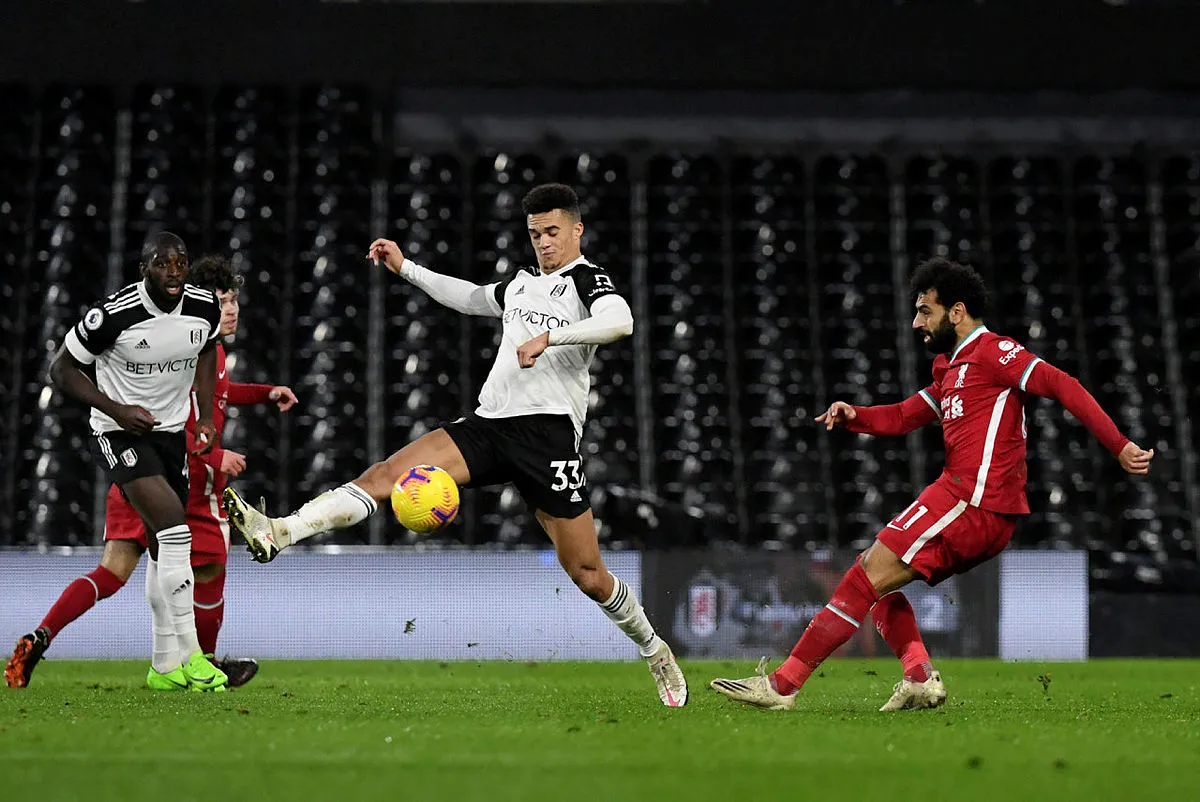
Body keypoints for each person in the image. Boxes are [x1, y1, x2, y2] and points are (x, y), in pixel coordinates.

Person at [223, 183, 689, 706]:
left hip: (549, 436)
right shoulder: (519, 287)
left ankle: (655, 651)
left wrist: (551, 338)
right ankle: (280, 530)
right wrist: (407, 269)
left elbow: (620, 322)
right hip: (490, 424)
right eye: (535, 234)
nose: (544, 243)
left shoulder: (586, 278)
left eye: (553, 232)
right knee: (385, 475)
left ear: (577, 230)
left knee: (587, 574)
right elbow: (468, 297)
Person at [711, 257, 1154, 711]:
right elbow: (905, 416)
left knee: (861, 578)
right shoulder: (950, 368)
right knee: (875, 582)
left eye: (926, 310)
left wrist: (1118, 445)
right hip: (969, 504)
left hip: (973, 500)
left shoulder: (995, 352)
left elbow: (1062, 383)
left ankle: (783, 686)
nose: (916, 321)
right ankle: (919, 677)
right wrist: (854, 416)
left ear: (956, 312)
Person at [4, 256, 299, 689]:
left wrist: (262, 393)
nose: (231, 309)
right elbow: (186, 416)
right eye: (223, 300)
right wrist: (214, 458)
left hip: (140, 472)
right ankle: (202, 663)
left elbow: (218, 395)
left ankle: (46, 635)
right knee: (205, 565)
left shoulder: (208, 349)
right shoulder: (191, 344)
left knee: (116, 570)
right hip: (180, 477)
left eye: (235, 301)